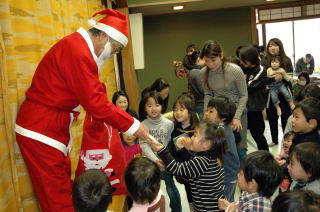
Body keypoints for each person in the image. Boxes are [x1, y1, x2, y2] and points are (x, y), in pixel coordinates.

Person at [14, 9, 149, 212]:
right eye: (115, 49)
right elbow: (96, 103)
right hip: (41, 129)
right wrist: (133, 125)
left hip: (49, 127)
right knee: (58, 200)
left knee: (63, 189)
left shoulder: (77, 48)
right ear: (104, 35)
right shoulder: (78, 52)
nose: (113, 54)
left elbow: (95, 95)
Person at [149, 120, 226, 212]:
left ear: (206, 144)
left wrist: (161, 150)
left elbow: (177, 169)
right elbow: (189, 170)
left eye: (195, 135)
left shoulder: (201, 162)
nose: (192, 138)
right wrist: (191, 149)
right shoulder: (214, 158)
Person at [201, 40, 248, 161]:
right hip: (218, 116)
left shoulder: (235, 70)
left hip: (237, 114)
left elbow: (244, 95)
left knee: (240, 150)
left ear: (221, 55)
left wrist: (236, 117)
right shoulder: (203, 73)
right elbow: (208, 94)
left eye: (213, 60)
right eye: (206, 61)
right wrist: (207, 112)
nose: (210, 64)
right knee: (222, 151)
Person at [138, 91, 181, 212]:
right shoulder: (142, 125)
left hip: (166, 162)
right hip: (150, 164)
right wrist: (155, 159)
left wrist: (164, 158)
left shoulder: (169, 124)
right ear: (145, 108)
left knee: (171, 187)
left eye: (157, 105)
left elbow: (170, 143)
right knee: (152, 190)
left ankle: (177, 210)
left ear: (162, 106)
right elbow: (144, 145)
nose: (153, 109)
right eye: (149, 105)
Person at [218, 151, 282, 212]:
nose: (237, 175)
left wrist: (229, 210)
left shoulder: (255, 208)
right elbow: (241, 206)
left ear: (252, 183)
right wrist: (229, 206)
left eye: (240, 173)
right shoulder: (250, 192)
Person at [204, 96, 240, 202]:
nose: (206, 113)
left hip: (228, 176)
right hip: (227, 174)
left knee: (225, 203)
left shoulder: (221, 132)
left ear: (223, 117)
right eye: (207, 110)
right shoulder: (220, 128)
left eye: (211, 111)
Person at [168, 93, 199, 207]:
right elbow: (174, 151)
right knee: (189, 196)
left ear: (190, 112)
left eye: (182, 109)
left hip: (197, 174)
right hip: (183, 173)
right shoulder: (175, 129)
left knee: (199, 198)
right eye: (175, 109)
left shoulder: (198, 130)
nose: (177, 112)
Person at [261, 38, 293, 147]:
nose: (272, 47)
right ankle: (274, 140)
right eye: (270, 45)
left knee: (285, 118)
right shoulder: (264, 60)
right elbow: (262, 79)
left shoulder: (287, 60)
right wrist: (274, 79)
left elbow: (289, 77)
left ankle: (287, 140)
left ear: (280, 46)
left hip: (284, 95)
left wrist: (281, 79)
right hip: (270, 95)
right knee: (272, 118)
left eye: (275, 45)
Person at [238, 45, 270, 151]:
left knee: (257, 134)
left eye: (243, 60)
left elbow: (248, 87)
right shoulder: (244, 67)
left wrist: (242, 80)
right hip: (244, 106)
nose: (241, 62)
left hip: (254, 107)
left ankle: (265, 157)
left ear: (250, 59)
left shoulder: (260, 70)